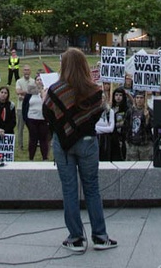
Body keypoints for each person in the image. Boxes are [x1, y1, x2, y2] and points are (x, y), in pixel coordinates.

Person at [42, 47, 116, 254]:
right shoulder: (93, 90)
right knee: (92, 189)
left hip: (63, 146)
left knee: (69, 190)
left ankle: (76, 238)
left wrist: (65, 131)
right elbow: (95, 115)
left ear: (64, 65)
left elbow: (47, 114)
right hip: (87, 143)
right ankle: (100, 236)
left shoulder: (55, 90)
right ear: (83, 65)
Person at [24, 74, 50, 160]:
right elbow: (25, 106)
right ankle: (31, 158)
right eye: (37, 80)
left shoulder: (47, 92)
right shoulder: (30, 93)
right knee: (33, 139)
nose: (39, 81)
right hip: (31, 119)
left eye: (41, 79)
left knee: (43, 139)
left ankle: (45, 158)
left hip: (43, 119)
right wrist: (26, 120)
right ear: (35, 82)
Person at [124, 91, 155, 161]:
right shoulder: (130, 111)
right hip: (132, 145)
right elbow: (126, 126)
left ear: (145, 99)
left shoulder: (149, 111)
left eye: (141, 98)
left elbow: (152, 127)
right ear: (134, 99)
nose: (139, 100)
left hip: (145, 145)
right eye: (137, 98)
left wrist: (147, 118)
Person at [15, 64, 36, 149]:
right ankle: (20, 145)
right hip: (20, 108)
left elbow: (35, 92)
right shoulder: (19, 81)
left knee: (31, 128)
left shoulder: (33, 81)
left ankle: (31, 145)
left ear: (30, 71)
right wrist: (29, 92)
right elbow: (17, 91)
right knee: (20, 128)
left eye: (28, 70)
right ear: (23, 71)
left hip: (31, 108)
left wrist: (23, 94)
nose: (26, 71)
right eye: (25, 70)